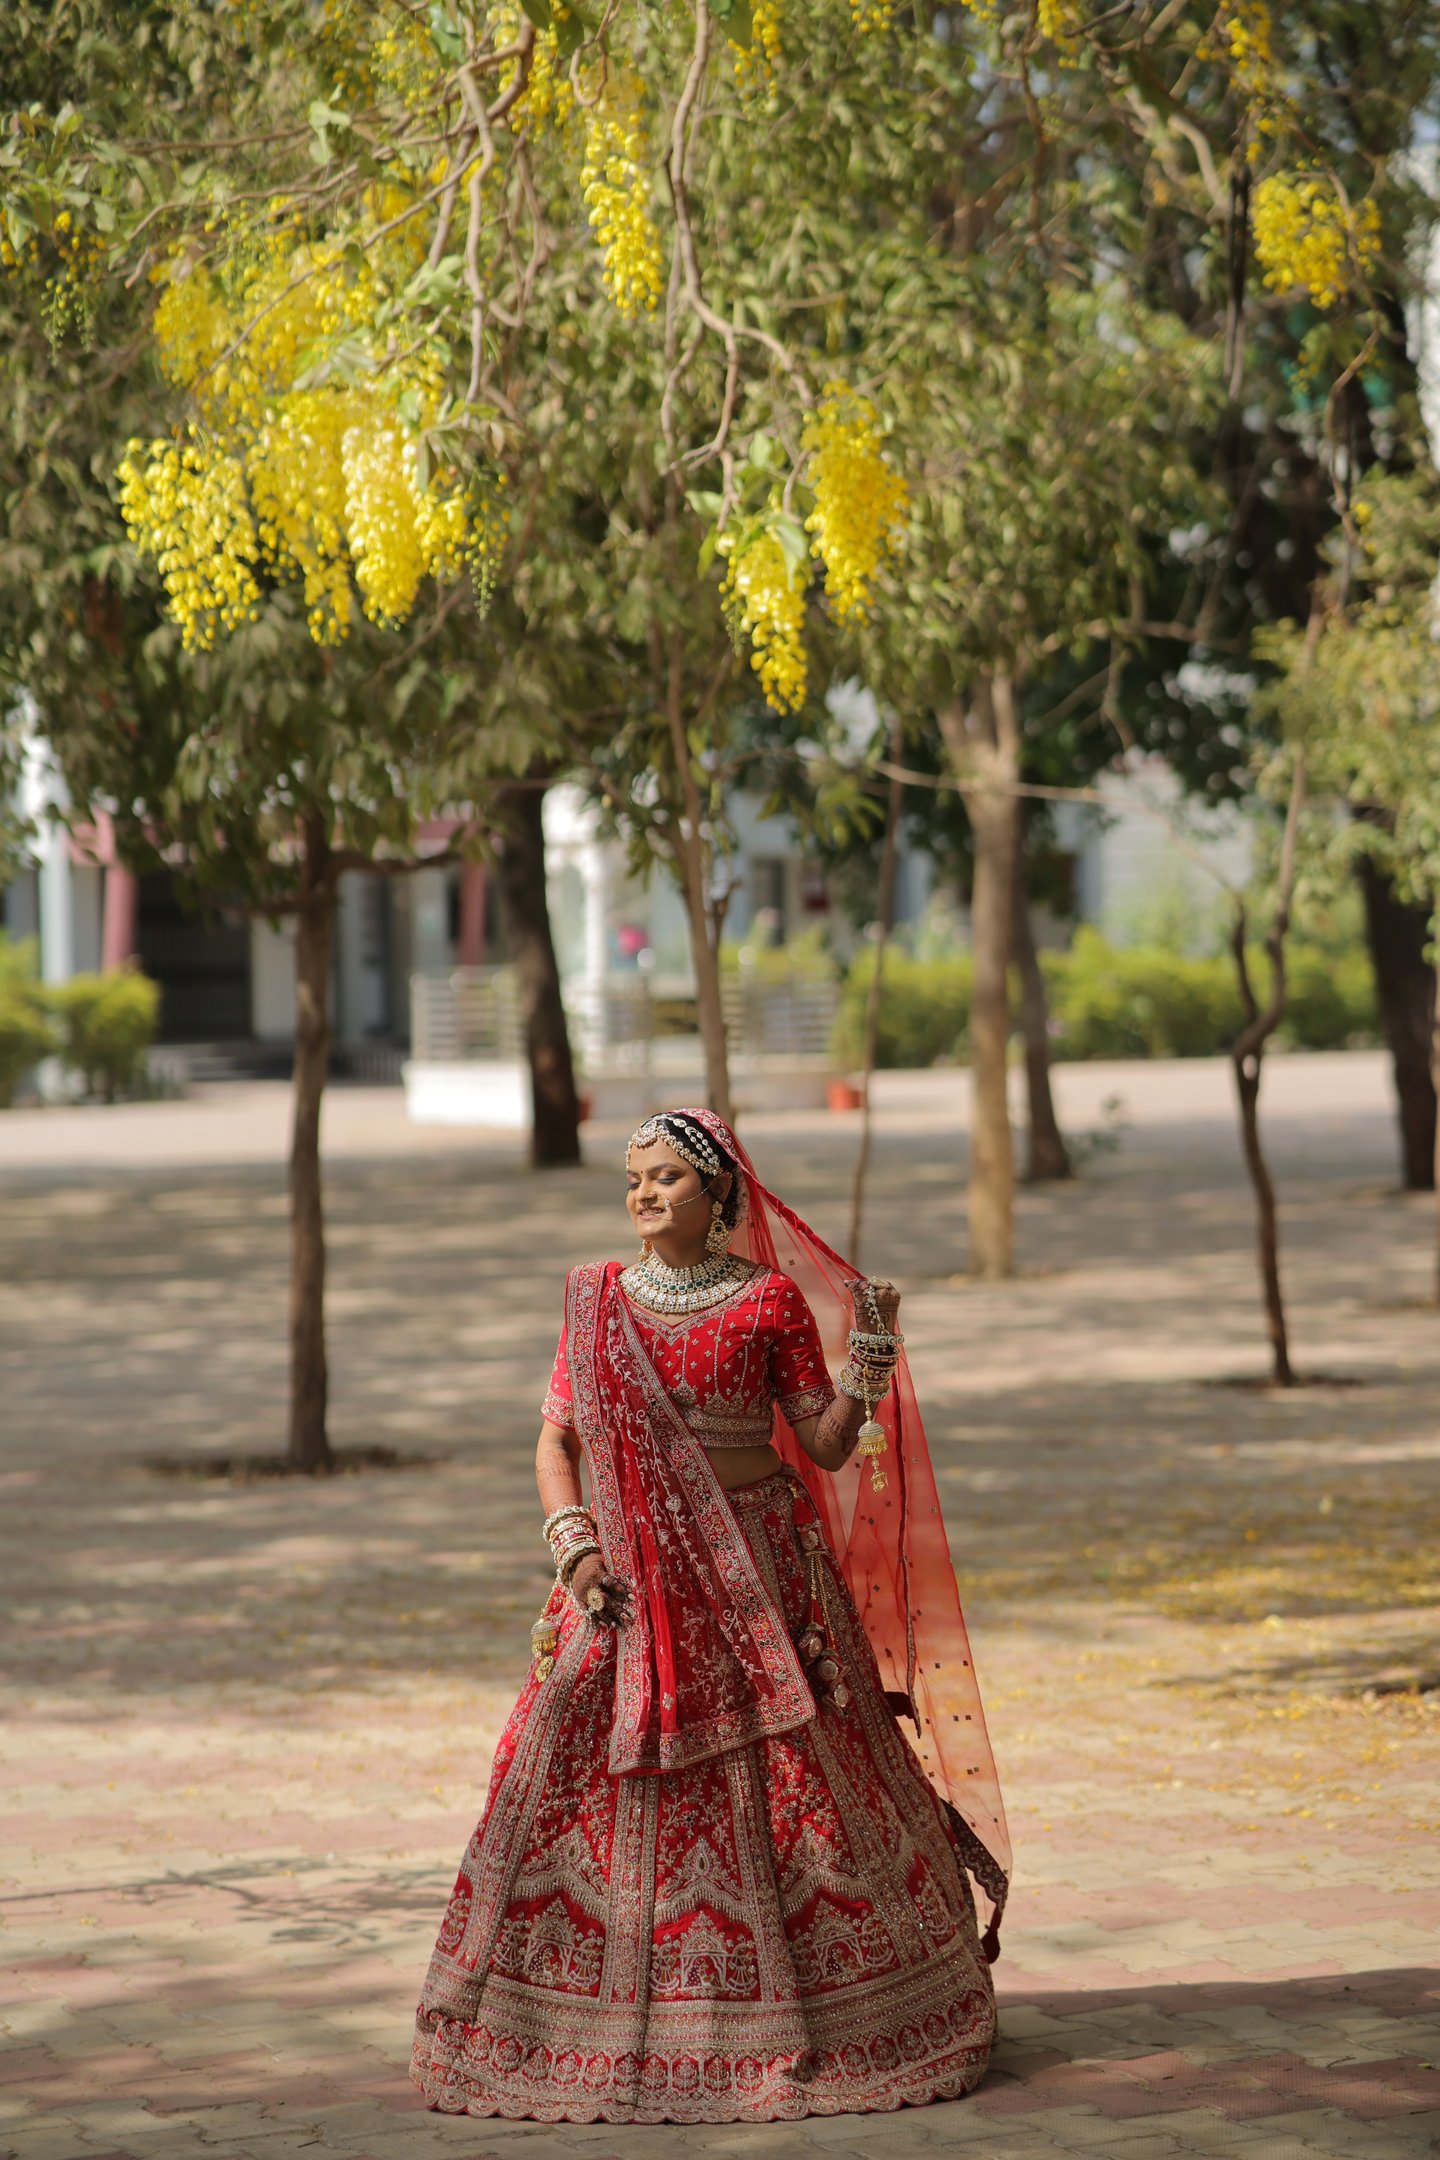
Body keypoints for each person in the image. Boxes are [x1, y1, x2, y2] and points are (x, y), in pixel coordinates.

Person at [411, 1107, 1009, 2124]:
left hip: (758, 1573)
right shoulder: (597, 1301)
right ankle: (560, 2024)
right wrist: (575, 1546)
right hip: (625, 1580)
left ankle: (834, 2018)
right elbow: (556, 1441)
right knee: (578, 1780)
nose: (644, 1194)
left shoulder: (767, 1300)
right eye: (634, 1179)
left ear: (719, 1191)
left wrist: (869, 1360)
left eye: (668, 1178)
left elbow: (825, 1445)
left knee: (802, 1789)